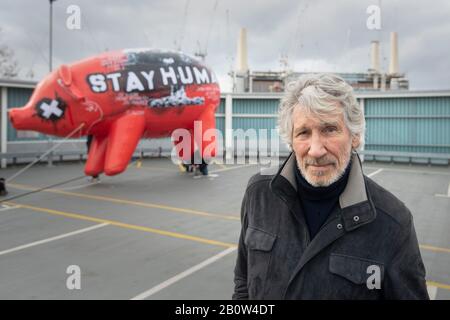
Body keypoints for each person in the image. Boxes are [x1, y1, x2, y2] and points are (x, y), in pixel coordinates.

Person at [233, 73, 429, 300]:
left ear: (355, 136)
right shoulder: (259, 194)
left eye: (329, 129)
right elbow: (243, 284)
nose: (316, 150)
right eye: (303, 133)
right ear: (290, 140)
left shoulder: (393, 222)